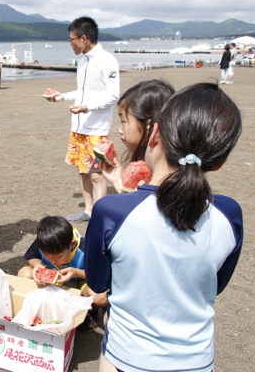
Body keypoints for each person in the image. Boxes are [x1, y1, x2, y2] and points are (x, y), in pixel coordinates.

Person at [85, 83, 243, 372]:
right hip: (196, 361)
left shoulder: (112, 212)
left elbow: (98, 283)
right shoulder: (229, 215)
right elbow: (215, 284)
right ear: (218, 163)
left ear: (154, 134)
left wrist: (100, 190)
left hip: (126, 357)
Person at [46, 16, 120, 223]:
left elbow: (113, 95)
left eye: (72, 40)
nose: (70, 44)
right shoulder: (82, 61)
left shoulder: (107, 61)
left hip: (96, 129)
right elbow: (83, 91)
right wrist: (63, 96)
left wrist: (86, 107)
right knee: (82, 171)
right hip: (78, 127)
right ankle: (88, 210)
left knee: (97, 174)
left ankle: (99, 213)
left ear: (84, 38)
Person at [18, 216, 108, 330]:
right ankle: (40, 307)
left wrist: (76, 272)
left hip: (81, 282)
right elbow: (32, 257)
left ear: (72, 244)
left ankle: (89, 311)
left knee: (101, 297)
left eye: (58, 257)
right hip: (53, 281)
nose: (52, 261)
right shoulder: (44, 242)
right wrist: (37, 265)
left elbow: (99, 273)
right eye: (46, 256)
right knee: (24, 273)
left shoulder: (87, 247)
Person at [100, 80, 175, 192]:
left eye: (123, 121)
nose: (119, 130)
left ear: (148, 125)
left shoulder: (162, 184)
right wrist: (118, 183)